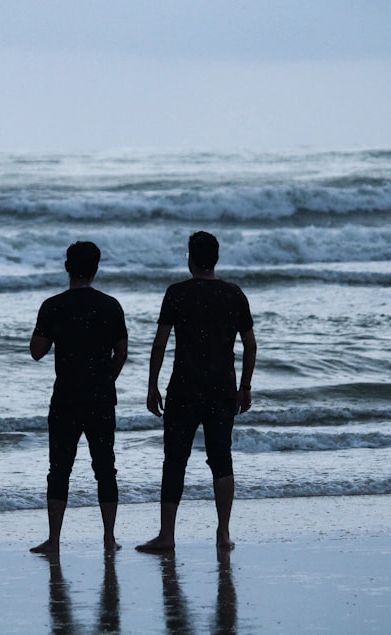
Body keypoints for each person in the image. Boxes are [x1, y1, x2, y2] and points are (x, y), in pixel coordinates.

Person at [136, 231, 256, 553]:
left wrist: (152, 384)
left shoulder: (177, 293)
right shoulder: (234, 294)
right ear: (215, 259)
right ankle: (224, 533)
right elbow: (250, 344)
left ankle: (167, 535)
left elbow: (160, 343)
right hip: (222, 389)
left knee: (175, 460)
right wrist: (245, 387)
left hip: (184, 389)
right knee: (222, 459)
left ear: (190, 258)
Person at [30, 241, 128, 554]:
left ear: (67, 267)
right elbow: (122, 352)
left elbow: (36, 352)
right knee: (105, 467)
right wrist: (105, 378)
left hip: (66, 397)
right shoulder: (111, 305)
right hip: (100, 396)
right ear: (96, 269)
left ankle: (54, 540)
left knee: (59, 469)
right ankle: (109, 538)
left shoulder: (53, 305)